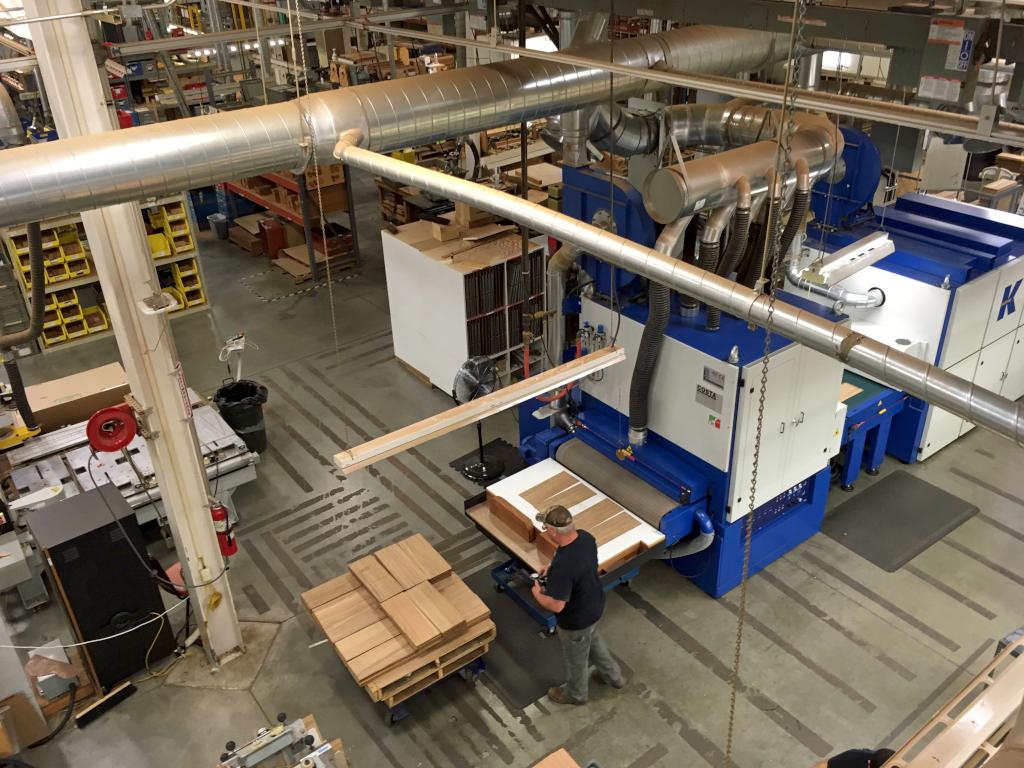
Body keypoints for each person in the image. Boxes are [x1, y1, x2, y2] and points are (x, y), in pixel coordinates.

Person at [530, 504, 625, 705]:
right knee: (594, 642)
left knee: (576, 660)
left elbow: (557, 606)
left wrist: (537, 593)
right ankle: (614, 676)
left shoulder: (564, 567)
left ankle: (576, 695)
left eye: (546, 528)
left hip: (576, 619)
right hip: (595, 604)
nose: (546, 531)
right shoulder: (585, 538)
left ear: (554, 531)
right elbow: (579, 566)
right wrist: (551, 568)